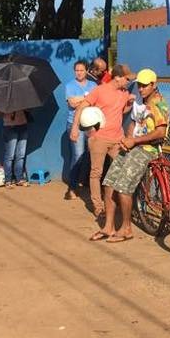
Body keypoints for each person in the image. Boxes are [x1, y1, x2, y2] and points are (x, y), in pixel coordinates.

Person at [98, 69, 169, 243]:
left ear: (154, 85)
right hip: (133, 146)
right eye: (139, 84)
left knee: (123, 187)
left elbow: (160, 133)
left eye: (145, 85)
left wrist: (135, 141)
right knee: (108, 183)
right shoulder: (140, 101)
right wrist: (128, 139)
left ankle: (126, 228)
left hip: (148, 150)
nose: (141, 88)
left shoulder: (159, 104)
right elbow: (135, 123)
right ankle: (108, 226)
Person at [69, 64, 134, 224]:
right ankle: (98, 207)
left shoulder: (124, 92)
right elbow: (81, 108)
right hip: (98, 138)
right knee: (96, 173)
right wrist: (75, 129)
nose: (128, 81)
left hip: (117, 139)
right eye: (126, 78)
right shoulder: (99, 90)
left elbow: (121, 111)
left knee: (120, 171)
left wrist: (130, 104)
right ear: (117, 78)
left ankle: (117, 202)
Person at [64, 60, 96, 200]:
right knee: (77, 156)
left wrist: (81, 100)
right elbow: (72, 103)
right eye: (76, 70)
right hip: (74, 125)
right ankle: (72, 187)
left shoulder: (93, 85)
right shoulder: (70, 86)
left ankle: (84, 183)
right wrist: (87, 98)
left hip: (90, 125)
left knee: (89, 156)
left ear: (87, 71)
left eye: (81, 70)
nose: (79, 73)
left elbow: (95, 102)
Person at [0, 109, 29, 187]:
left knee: (21, 155)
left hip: (23, 125)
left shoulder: (23, 98)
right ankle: (8, 180)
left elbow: (29, 109)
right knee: (10, 155)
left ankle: (19, 179)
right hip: (10, 127)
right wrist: (9, 112)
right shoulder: (3, 98)